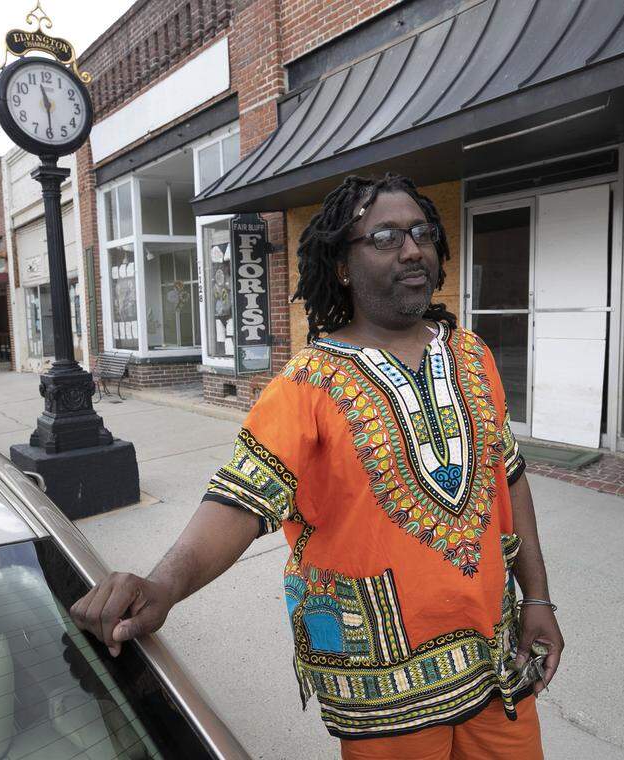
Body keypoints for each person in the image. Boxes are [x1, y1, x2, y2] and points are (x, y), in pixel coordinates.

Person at [71, 174, 563, 759]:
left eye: (421, 232)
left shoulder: (472, 355)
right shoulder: (304, 385)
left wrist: (538, 598)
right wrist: (162, 585)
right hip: (383, 690)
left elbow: (510, 479)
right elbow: (238, 503)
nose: (412, 249)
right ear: (343, 267)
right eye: (384, 237)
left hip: (495, 661)